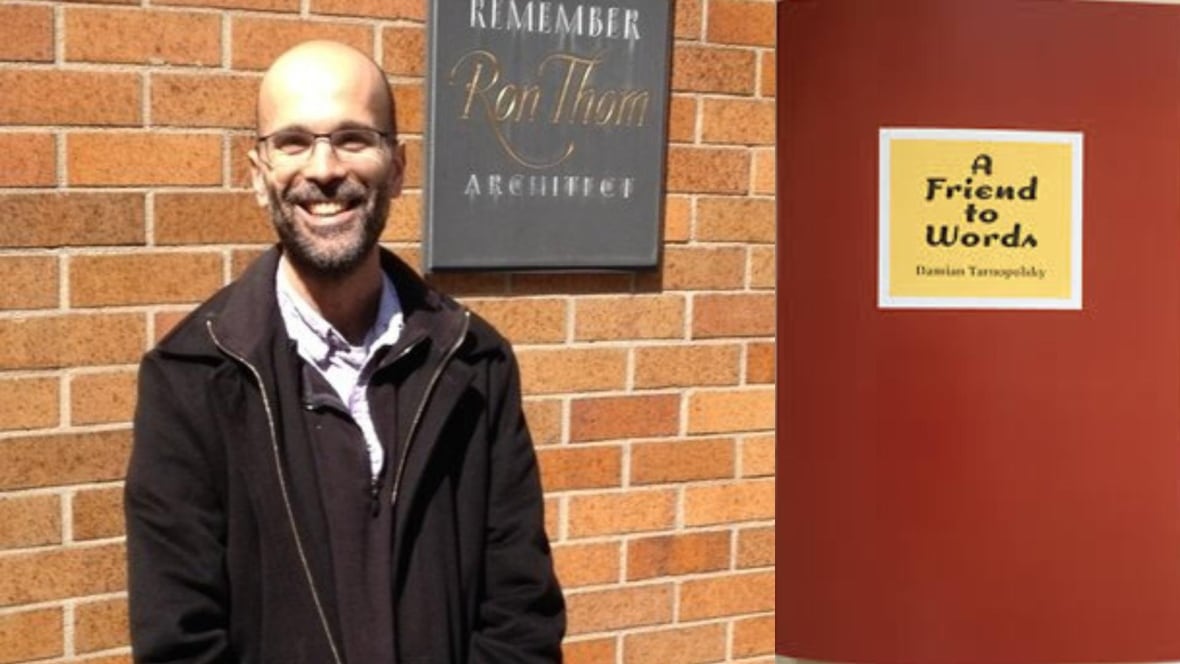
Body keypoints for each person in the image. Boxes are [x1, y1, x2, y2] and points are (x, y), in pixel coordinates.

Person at [124, 40, 565, 663]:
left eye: (354, 138)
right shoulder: (192, 378)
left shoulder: (473, 364)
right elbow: (180, 641)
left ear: (399, 167)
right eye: (294, 142)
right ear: (258, 174)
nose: (325, 168)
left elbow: (520, 614)